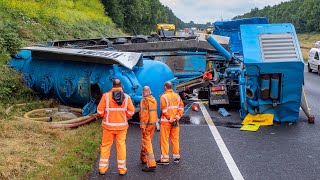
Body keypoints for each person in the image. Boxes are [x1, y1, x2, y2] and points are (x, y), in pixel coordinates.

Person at [97, 79, 135, 176]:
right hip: (122, 127)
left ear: (112, 85)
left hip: (108, 127)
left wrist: (106, 116)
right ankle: (122, 169)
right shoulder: (126, 97)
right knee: (121, 147)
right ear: (121, 85)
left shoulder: (106, 96)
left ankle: (102, 169)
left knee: (105, 146)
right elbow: (131, 112)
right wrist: (124, 117)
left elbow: (100, 112)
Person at [157, 81, 184, 165]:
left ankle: (165, 159)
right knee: (175, 139)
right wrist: (176, 118)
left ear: (165, 87)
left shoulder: (163, 97)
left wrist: (170, 119)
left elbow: (164, 110)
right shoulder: (177, 96)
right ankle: (176, 157)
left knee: (164, 140)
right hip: (175, 122)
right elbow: (181, 108)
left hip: (166, 122)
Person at [139, 86, 158, 172]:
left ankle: (151, 164)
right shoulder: (153, 100)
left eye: (143, 92)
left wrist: (143, 126)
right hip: (152, 124)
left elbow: (144, 114)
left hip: (147, 125)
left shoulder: (144, 100)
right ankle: (143, 158)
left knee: (147, 143)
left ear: (144, 92)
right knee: (147, 141)